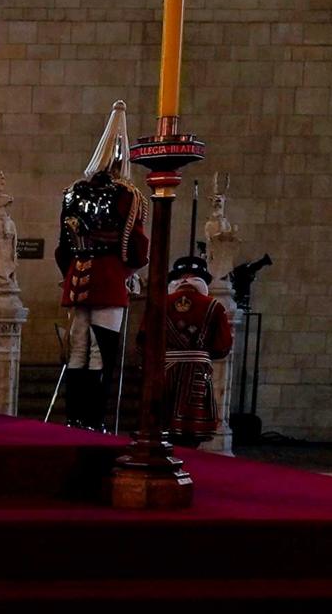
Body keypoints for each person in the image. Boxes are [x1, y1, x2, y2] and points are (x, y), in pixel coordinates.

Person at [54, 101, 142, 430]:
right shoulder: (127, 195)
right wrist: (129, 274)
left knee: (77, 350)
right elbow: (137, 248)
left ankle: (75, 417)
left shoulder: (71, 194)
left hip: (77, 279)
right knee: (100, 354)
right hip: (107, 279)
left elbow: (62, 249)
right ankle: (94, 420)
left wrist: (70, 276)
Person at [156, 253, 235, 452]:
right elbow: (223, 346)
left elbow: (143, 342)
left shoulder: (160, 304)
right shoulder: (214, 306)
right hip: (196, 375)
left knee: (162, 425)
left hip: (164, 373)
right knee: (191, 433)